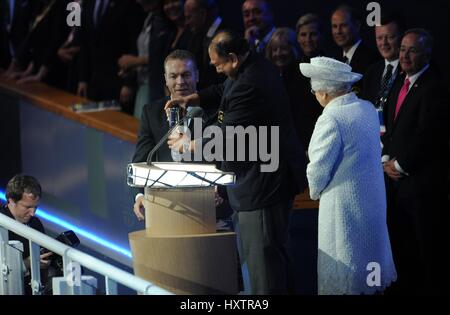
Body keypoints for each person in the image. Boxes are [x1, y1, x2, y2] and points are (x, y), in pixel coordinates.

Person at [165, 29, 307, 294]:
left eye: (218, 64)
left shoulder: (250, 84)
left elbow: (227, 136)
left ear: (233, 57)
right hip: (256, 184)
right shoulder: (249, 66)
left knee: (263, 268)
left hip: (263, 188)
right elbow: (223, 89)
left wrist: (189, 145)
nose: (216, 70)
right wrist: (192, 99)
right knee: (262, 265)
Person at [300, 56, 397, 295]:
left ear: (323, 92)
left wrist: (314, 191)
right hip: (372, 207)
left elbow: (318, 169)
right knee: (371, 275)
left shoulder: (331, 118)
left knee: (347, 275)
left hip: (343, 211)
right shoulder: (367, 109)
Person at [381, 29, 450, 295]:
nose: (405, 56)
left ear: (427, 54)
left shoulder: (435, 87)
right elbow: (391, 127)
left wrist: (400, 166)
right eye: (402, 50)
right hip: (397, 189)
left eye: (412, 50)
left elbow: (429, 135)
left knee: (427, 255)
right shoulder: (400, 82)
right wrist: (386, 158)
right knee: (403, 252)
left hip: (422, 188)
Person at [77, 0, 144, 113]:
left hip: (118, 83)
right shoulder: (88, 3)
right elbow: (85, 44)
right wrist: (82, 79)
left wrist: (129, 83)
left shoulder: (129, 4)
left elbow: (135, 45)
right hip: (93, 82)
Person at [266, 27, 322, 151]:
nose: (278, 53)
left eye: (283, 48)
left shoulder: (304, 77)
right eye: (274, 49)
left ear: (294, 49)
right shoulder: (268, 77)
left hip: (300, 146)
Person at [0, 175, 53, 295]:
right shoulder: (1, 225)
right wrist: (28, 263)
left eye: (36, 207)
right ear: (11, 201)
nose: (33, 213)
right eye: (28, 207)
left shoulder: (35, 223)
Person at [362, 13, 403, 132]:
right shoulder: (371, 71)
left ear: (401, 37)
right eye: (379, 38)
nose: (384, 43)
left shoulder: (409, 72)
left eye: (390, 37)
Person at [331, 4, 379, 94]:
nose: (338, 31)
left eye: (343, 25)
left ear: (357, 26)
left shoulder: (372, 59)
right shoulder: (334, 58)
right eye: (334, 26)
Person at [184, 0, 226, 89]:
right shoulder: (198, 36)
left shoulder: (227, 34)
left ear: (203, 14)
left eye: (189, 17)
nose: (186, 23)